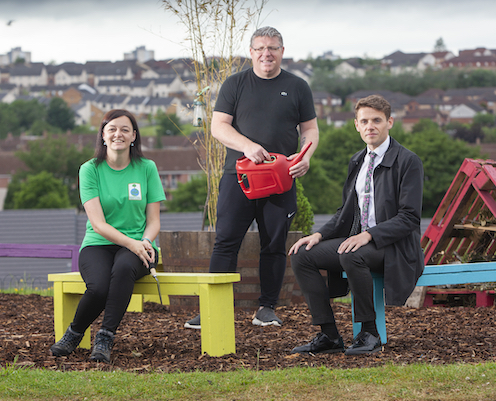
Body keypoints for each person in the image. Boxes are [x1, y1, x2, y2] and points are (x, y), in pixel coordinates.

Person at [185, 26, 318, 330]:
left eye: (272, 48)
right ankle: (211, 310)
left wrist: (305, 157)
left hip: (281, 177)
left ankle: (266, 309)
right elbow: (219, 127)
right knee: (226, 241)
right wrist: (247, 146)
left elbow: (310, 130)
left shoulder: (298, 87)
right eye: (260, 48)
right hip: (239, 176)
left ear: (282, 51)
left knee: (273, 244)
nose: (266, 54)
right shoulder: (235, 84)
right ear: (251, 52)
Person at [288, 94, 425, 355]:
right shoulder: (357, 161)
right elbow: (345, 212)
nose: (370, 126)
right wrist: (318, 235)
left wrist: (369, 235)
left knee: (352, 255)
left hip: (394, 246)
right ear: (356, 125)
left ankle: (369, 333)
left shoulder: (408, 162)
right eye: (364, 121)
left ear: (390, 123)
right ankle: (328, 335)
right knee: (302, 255)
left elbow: (409, 217)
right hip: (360, 242)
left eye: (377, 120)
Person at [50, 109, 166, 363]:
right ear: (103, 135)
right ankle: (74, 333)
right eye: (112, 129)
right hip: (99, 244)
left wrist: (144, 243)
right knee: (100, 286)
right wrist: (131, 243)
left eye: (125, 129)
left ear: (134, 136)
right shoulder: (89, 170)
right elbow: (99, 224)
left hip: (140, 244)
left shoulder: (147, 168)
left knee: (124, 268)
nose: (118, 134)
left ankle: (105, 337)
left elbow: (154, 221)